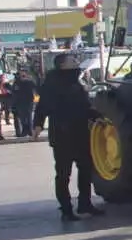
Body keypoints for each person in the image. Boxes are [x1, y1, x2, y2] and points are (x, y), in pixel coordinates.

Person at [33, 53, 103, 221]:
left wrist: (96, 115)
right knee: (64, 174)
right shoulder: (52, 84)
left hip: (80, 133)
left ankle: (85, 203)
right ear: (62, 65)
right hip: (62, 135)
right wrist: (38, 125)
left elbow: (84, 106)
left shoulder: (77, 83)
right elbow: (43, 107)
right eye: (72, 61)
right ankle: (66, 209)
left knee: (86, 169)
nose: (76, 62)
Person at [9, 69, 36, 138]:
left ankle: (29, 131)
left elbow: (35, 89)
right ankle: (26, 131)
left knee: (27, 117)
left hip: (28, 101)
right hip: (21, 102)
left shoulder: (28, 81)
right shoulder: (17, 82)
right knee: (24, 117)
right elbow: (14, 91)